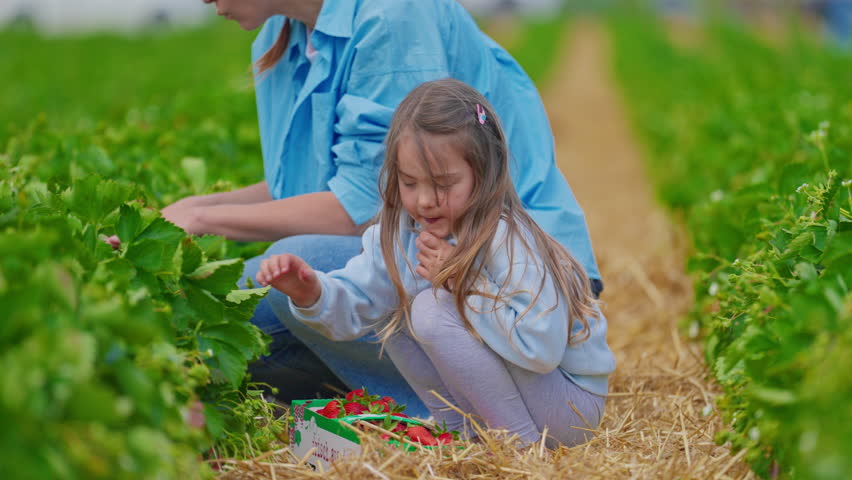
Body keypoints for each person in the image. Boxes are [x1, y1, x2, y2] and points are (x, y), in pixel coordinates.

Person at [164, 0, 603, 417]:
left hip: (505, 271)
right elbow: (296, 189)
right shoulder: (279, 36)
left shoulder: (392, 14)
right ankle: (442, 408)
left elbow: (365, 203)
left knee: (239, 311)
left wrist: (204, 219)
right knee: (251, 305)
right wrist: (186, 212)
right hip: (430, 252)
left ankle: (466, 416)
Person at [256, 79, 615, 447]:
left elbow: (540, 350)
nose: (425, 201)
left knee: (428, 308)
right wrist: (311, 291)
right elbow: (358, 304)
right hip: (518, 399)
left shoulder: (506, 236)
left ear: (485, 174)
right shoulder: (401, 237)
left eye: (443, 184)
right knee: (394, 306)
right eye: (410, 183)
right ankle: (458, 437)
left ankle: (520, 451)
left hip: (567, 406)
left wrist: (463, 280)